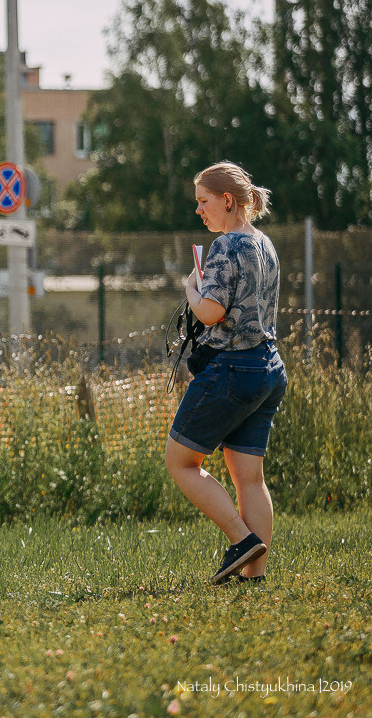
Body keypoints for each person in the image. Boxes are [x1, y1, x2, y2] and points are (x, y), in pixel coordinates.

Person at [166, 161, 287, 585]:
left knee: (180, 461)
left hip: (233, 368)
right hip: (269, 367)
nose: (199, 211)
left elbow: (213, 312)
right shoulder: (265, 244)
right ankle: (254, 575)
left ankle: (240, 539)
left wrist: (191, 290)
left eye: (203, 201)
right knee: (250, 478)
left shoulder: (226, 246)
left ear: (227, 200)